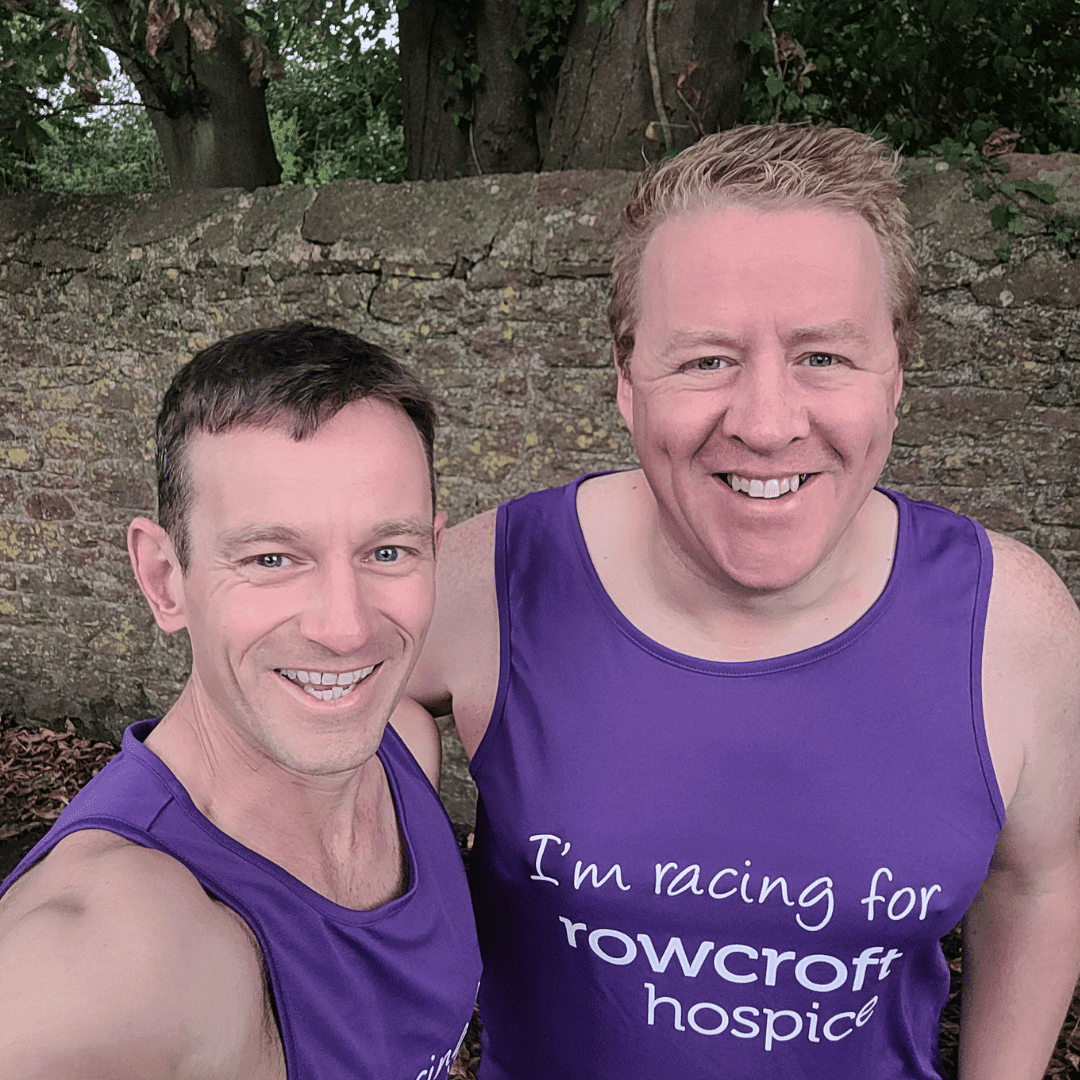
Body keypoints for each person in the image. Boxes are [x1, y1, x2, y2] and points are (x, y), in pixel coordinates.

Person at [408, 125, 1080, 1078]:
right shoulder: (493, 584)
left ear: (896, 378)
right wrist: (388, 765)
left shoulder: (1013, 628)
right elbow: (286, 685)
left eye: (825, 357)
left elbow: (1041, 879)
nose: (767, 424)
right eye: (705, 360)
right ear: (626, 385)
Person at [0, 323, 481, 1079]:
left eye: (387, 551)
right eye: (271, 558)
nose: (346, 627)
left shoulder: (406, 748)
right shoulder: (115, 950)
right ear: (164, 578)